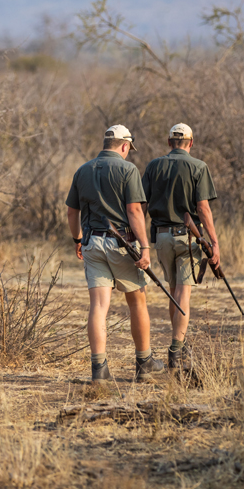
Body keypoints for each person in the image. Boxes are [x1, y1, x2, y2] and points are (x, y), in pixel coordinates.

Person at [66, 125, 166, 383]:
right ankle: (144, 363)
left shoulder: (83, 169)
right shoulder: (128, 169)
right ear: (125, 146)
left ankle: (99, 370)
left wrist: (77, 239)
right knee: (137, 301)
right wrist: (144, 247)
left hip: (91, 244)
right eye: (128, 149)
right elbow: (134, 211)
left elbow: (71, 212)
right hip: (121, 246)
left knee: (99, 306)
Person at [141, 123, 220, 371]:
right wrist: (214, 242)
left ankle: (180, 341)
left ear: (169, 142)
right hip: (187, 237)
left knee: (173, 290)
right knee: (183, 293)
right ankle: (176, 350)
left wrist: (140, 239)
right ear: (191, 143)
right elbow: (203, 208)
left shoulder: (154, 166)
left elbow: (140, 206)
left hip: (161, 238)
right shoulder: (198, 166)